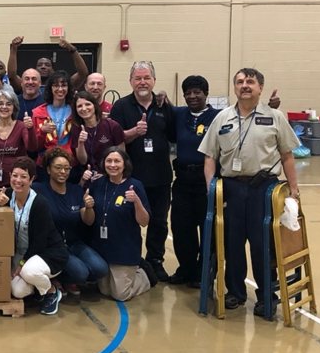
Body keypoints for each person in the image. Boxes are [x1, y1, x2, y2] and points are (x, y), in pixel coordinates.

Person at [199, 68, 300, 317]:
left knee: (263, 244)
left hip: (264, 189)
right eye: (240, 82)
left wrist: (294, 190)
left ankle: (266, 296)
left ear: (260, 88)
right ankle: (235, 292)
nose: (245, 85)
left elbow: (287, 156)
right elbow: (210, 158)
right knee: (232, 243)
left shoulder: (275, 117)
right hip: (231, 189)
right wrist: (212, 191)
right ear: (234, 88)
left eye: (251, 82)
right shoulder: (222, 118)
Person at [0, 157, 68, 315]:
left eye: (23, 177)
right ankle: (37, 287)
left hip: (47, 253)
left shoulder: (39, 204)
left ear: (32, 179)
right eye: (15, 175)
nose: (18, 180)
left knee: (29, 272)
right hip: (21, 252)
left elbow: (39, 243)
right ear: (9, 176)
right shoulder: (8, 195)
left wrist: (21, 264)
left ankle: (51, 291)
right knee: (17, 291)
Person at [108, 61, 175, 282]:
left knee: (158, 221)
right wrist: (134, 132)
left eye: (146, 77)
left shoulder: (164, 105)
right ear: (131, 82)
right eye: (138, 78)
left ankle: (155, 260)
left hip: (160, 177)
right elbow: (116, 138)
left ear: (154, 80)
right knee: (129, 221)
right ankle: (133, 259)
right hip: (132, 177)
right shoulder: (121, 107)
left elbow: (175, 135)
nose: (142, 82)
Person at [161, 75, 221, 287]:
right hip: (183, 180)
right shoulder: (179, 114)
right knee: (181, 227)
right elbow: (164, 105)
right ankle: (186, 268)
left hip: (206, 181)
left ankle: (204, 271)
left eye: (197, 92)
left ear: (206, 94)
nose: (192, 96)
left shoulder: (219, 116)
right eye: (188, 93)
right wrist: (163, 97)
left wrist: (270, 107)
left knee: (207, 228)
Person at [82, 148, 158, 301]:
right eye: (109, 161)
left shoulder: (134, 185)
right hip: (102, 248)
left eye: (117, 161)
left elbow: (144, 222)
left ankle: (145, 275)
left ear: (125, 164)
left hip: (125, 249)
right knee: (104, 291)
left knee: (121, 295)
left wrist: (136, 201)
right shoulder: (97, 185)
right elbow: (88, 220)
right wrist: (88, 207)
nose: (113, 165)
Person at [33, 149, 108, 294]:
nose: (63, 172)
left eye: (67, 168)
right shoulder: (38, 190)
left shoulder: (76, 191)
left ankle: (68, 277)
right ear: (48, 170)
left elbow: (88, 221)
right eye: (58, 168)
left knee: (101, 269)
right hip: (53, 246)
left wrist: (88, 208)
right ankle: (57, 278)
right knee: (80, 273)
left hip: (74, 243)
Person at [0, 90, 37, 188]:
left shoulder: (21, 126)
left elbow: (31, 148)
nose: (4, 107)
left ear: (14, 108)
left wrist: (30, 129)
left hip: (19, 181)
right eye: (0, 103)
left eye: (8, 104)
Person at [7, 36, 88, 93]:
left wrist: (73, 50)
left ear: (53, 70)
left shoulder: (61, 88)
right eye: (40, 65)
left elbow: (82, 73)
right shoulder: (28, 85)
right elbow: (12, 76)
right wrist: (14, 49)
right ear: (35, 69)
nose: (43, 67)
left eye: (47, 65)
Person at [70, 90, 125, 174]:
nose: (84, 108)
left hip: (110, 174)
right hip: (88, 175)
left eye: (87, 104)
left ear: (95, 106)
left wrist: (105, 175)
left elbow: (121, 157)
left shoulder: (112, 126)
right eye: (79, 106)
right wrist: (80, 143)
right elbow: (83, 161)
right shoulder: (76, 129)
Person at [32, 71, 75, 160]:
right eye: (56, 85)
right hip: (46, 162)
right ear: (50, 88)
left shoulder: (75, 111)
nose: (60, 89)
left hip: (69, 161)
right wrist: (42, 132)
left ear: (68, 88)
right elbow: (34, 147)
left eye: (63, 85)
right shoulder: (38, 113)